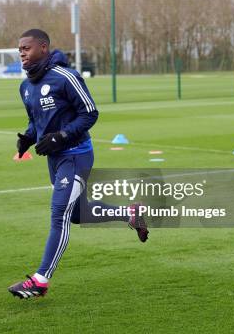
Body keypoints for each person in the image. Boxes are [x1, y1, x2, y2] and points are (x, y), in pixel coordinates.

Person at [8, 29, 148, 299]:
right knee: (75, 213)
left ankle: (40, 280)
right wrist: (28, 137)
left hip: (76, 155)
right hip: (55, 159)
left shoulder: (66, 77)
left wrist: (61, 135)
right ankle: (130, 214)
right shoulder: (25, 86)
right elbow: (36, 121)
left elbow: (90, 113)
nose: (22, 53)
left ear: (44, 48)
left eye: (26, 48)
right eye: (19, 49)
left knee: (59, 214)